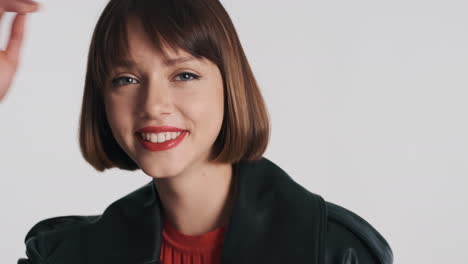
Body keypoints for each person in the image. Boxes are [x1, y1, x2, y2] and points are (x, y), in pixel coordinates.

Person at [2, 0, 394, 263]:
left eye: (184, 74)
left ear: (230, 86)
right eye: (125, 79)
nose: (154, 104)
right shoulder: (69, 254)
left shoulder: (334, 251)